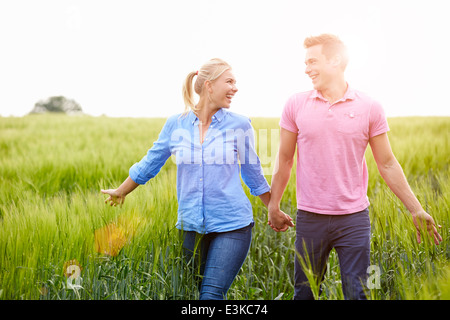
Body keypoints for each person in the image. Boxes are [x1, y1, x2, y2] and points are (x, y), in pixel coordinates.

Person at [267, 34, 442, 300]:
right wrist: (274, 204)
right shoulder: (295, 104)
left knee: (357, 294)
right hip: (309, 217)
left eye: (312, 61)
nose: (306, 69)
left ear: (335, 59)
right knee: (304, 295)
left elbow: (387, 162)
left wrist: (416, 209)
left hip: (354, 219)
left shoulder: (369, 106)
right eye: (305, 63)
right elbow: (285, 158)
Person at [101, 58, 271, 300]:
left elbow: (252, 171)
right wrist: (121, 191)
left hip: (232, 224)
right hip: (190, 224)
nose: (235, 88)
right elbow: (151, 162)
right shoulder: (176, 124)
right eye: (230, 81)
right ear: (210, 85)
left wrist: (272, 208)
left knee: (210, 296)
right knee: (192, 294)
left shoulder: (240, 125)